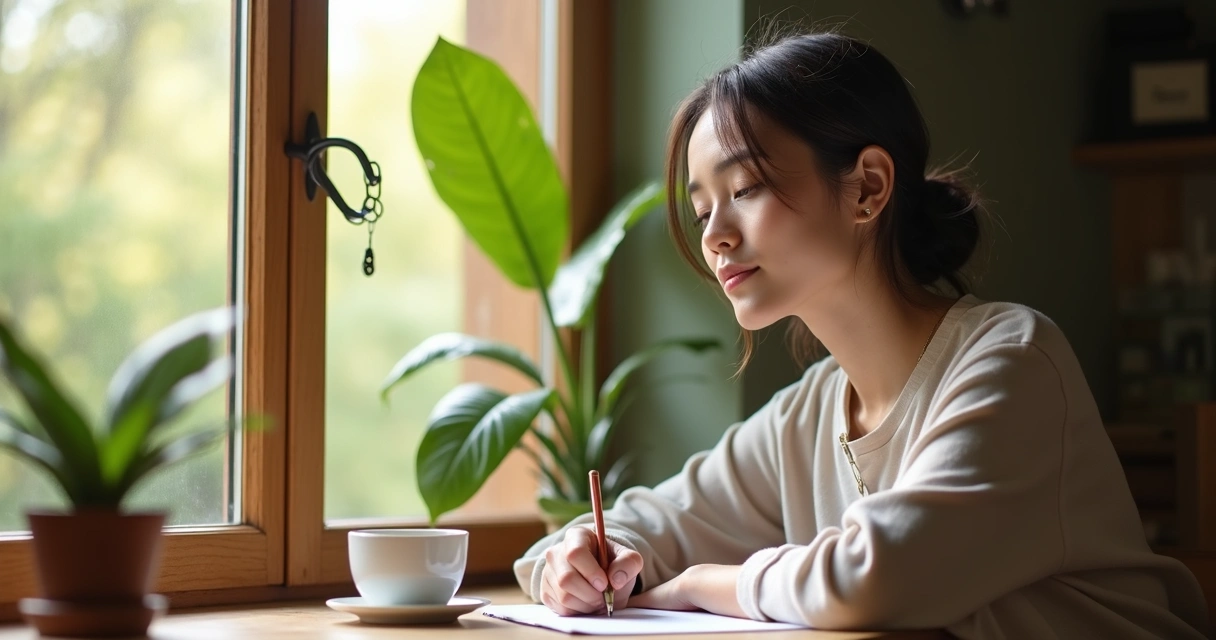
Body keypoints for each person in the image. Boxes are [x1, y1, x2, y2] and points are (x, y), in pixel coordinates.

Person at [513, 31, 1211, 639]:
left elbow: (877, 577)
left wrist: (699, 585)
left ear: (868, 188)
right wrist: (580, 559)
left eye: (746, 188)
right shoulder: (809, 413)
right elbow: (643, 524)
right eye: (701, 211)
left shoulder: (1013, 363)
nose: (716, 237)